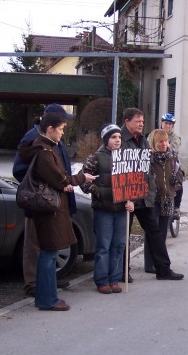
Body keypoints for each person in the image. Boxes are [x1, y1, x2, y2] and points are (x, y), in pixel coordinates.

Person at [17, 113, 96, 311]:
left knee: (49, 253)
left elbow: (56, 180)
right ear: (50, 129)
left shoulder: (45, 148)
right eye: (60, 129)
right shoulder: (44, 151)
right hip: (49, 210)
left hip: (50, 207)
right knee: (49, 253)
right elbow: (60, 179)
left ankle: (49, 296)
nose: (62, 133)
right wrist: (80, 178)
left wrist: (65, 183)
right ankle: (47, 299)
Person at [13, 104, 76, 297]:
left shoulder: (53, 138)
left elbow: (61, 168)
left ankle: (47, 279)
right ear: (50, 123)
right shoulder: (34, 139)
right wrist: (46, 183)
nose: (64, 130)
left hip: (56, 199)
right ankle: (33, 283)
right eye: (62, 125)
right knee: (34, 245)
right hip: (40, 202)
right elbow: (19, 170)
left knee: (49, 244)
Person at [121, 108, 184, 281]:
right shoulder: (120, 139)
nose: (142, 124)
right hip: (126, 196)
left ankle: (163, 269)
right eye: (138, 121)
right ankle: (123, 271)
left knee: (155, 232)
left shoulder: (142, 140)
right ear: (127, 122)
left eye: (142, 121)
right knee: (124, 234)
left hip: (143, 196)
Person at [81, 124, 134, 294]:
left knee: (119, 245)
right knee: (104, 245)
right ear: (106, 140)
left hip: (121, 210)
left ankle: (115, 278)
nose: (118, 140)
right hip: (103, 210)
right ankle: (102, 280)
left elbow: (134, 182)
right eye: (113, 137)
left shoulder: (127, 157)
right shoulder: (95, 158)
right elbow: (83, 182)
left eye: (119, 137)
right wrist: (100, 192)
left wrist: (131, 199)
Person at [143, 129, 182, 272]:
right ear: (154, 142)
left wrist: (177, 179)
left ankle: (160, 263)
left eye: (165, 141)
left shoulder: (172, 157)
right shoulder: (148, 158)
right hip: (153, 199)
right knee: (152, 232)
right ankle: (149, 264)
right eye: (160, 141)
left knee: (163, 232)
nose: (164, 144)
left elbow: (179, 173)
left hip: (168, 198)